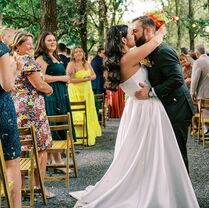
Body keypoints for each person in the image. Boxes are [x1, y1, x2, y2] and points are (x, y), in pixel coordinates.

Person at [70, 24, 199, 208]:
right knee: (153, 152)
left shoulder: (119, 60)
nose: (133, 35)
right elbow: (155, 41)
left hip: (135, 108)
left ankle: (156, 186)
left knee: (143, 153)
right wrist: (161, 29)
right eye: (131, 33)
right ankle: (157, 189)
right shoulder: (130, 57)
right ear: (123, 40)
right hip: (147, 109)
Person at [132, 16, 195, 171]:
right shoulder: (147, 50)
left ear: (147, 31)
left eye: (135, 31)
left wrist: (151, 92)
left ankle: (183, 193)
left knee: (177, 153)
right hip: (165, 106)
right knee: (165, 153)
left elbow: (177, 79)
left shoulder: (163, 51)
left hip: (177, 107)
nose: (132, 35)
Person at [10, 31, 55, 198]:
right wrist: (50, 90)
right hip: (32, 110)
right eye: (27, 43)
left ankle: (20, 188)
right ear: (18, 45)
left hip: (17, 108)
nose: (30, 45)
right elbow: (39, 84)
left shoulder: (11, 59)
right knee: (41, 148)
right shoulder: (27, 60)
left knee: (20, 147)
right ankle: (39, 187)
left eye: (31, 42)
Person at [35, 31, 75, 172]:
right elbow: (41, 78)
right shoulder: (41, 58)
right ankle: (57, 161)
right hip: (50, 96)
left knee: (59, 124)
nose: (52, 42)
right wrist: (61, 78)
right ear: (42, 43)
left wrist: (65, 79)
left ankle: (53, 160)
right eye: (49, 40)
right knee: (53, 125)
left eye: (54, 40)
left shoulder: (55, 57)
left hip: (61, 95)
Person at [0, 32, 22, 208]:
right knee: (11, 161)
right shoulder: (1, 49)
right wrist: (16, 69)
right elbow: (7, 85)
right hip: (2, 109)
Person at [67, 46, 101, 146]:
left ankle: (89, 134)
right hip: (76, 91)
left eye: (80, 51)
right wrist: (84, 79)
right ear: (73, 54)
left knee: (88, 110)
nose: (78, 53)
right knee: (78, 112)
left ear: (83, 53)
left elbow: (94, 75)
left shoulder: (86, 63)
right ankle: (78, 137)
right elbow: (70, 80)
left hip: (87, 91)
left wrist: (90, 77)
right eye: (76, 52)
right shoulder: (71, 64)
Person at [191, 43, 209, 135]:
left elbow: (195, 79)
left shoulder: (198, 62)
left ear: (197, 52)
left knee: (205, 114)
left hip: (203, 93)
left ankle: (208, 132)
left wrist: (192, 92)